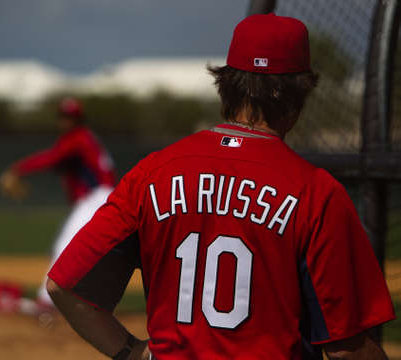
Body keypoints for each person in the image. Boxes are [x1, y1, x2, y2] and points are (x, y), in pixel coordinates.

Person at [45, 14, 395, 360]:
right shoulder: (316, 193)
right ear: (296, 95)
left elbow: (64, 286)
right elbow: (346, 349)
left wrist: (131, 352)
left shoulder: (152, 173)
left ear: (227, 84)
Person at [0, 97, 116, 310]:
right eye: (63, 116)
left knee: (65, 246)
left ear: (79, 119)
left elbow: (50, 158)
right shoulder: (82, 139)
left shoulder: (77, 138)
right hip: (100, 198)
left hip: (97, 198)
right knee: (84, 250)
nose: (66, 120)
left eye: (71, 116)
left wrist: (18, 169)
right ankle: (78, 301)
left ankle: (46, 301)